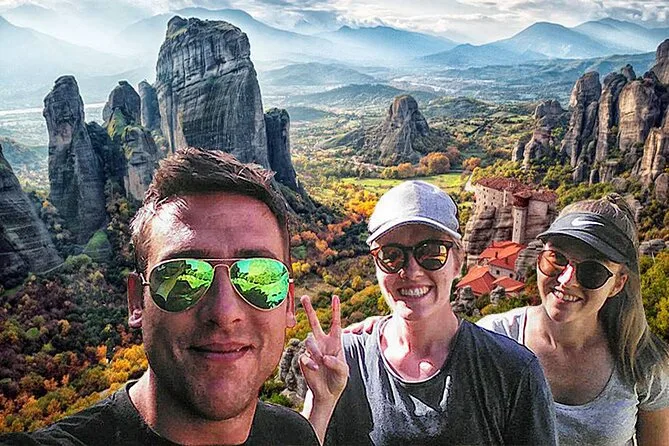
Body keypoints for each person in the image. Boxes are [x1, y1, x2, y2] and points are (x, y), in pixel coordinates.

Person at [0, 148, 319, 445]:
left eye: (260, 276)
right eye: (182, 276)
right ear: (137, 301)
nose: (224, 312)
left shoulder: (294, 435)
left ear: (288, 303)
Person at [300, 180, 558, 445]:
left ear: (458, 261)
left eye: (431, 252)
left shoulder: (511, 370)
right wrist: (320, 403)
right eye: (391, 255)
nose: (411, 271)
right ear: (376, 266)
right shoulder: (345, 362)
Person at [477, 194, 669, 445]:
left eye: (592, 270)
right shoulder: (494, 339)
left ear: (617, 284)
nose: (567, 280)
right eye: (556, 258)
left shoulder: (642, 361)